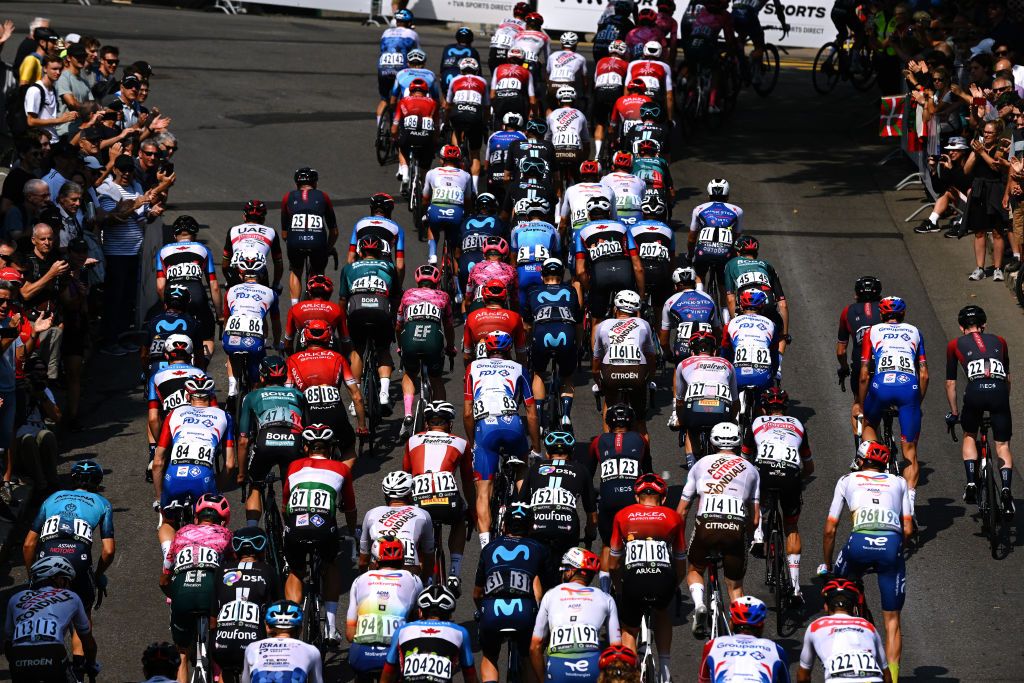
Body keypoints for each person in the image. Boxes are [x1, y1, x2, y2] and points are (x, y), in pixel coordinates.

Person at [819, 441, 910, 681]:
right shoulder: (899, 482)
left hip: (858, 545)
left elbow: (831, 529)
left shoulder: (847, 480)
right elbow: (908, 528)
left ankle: (843, 653)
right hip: (890, 546)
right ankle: (892, 677)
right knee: (892, 620)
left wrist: (827, 566)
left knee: (837, 590)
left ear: (859, 461)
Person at [22, 460, 114, 663]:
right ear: (98, 482)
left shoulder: (52, 498)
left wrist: (32, 576)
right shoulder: (102, 503)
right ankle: (83, 670)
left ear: (73, 479)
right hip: (78, 560)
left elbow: (29, 545)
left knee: (41, 612)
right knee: (82, 618)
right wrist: (98, 576)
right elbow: (108, 550)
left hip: (48, 558)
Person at [677, 422, 760, 638]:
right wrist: (749, 539)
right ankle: (743, 634)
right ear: (739, 441)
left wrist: (676, 541)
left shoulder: (701, 464)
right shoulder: (750, 469)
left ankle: (699, 605)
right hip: (735, 526)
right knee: (735, 587)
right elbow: (756, 517)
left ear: (713, 442)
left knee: (695, 569)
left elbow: (683, 510)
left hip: (706, 525)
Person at [282, 424, 357, 646]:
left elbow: (285, 503)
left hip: (296, 526)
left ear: (305, 447)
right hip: (324, 528)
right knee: (331, 564)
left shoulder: (294, 466)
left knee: (296, 571)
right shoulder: (341, 469)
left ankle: (289, 627)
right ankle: (331, 627)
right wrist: (353, 532)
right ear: (330, 448)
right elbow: (350, 507)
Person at [465, 330, 540, 546]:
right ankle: (525, 524)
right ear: (509, 350)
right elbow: (531, 412)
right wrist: (536, 448)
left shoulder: (474, 368)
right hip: (513, 425)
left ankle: (485, 544)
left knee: (483, 491)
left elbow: (468, 412)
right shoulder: (519, 368)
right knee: (522, 470)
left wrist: (473, 444)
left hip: (485, 428)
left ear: (486, 350)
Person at [608, 474, 686, 683]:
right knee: (662, 611)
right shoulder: (673, 517)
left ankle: (629, 675)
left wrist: (619, 589)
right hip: (663, 579)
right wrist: (673, 586)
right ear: (663, 497)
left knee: (629, 629)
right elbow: (680, 563)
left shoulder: (622, 515)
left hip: (633, 581)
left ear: (636, 497)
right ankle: (666, 670)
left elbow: (613, 564)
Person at [153, 376, 236, 560]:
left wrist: (160, 500)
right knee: (211, 523)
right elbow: (230, 465)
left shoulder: (174, 414)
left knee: (168, 521)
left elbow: (158, 461)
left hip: (174, 477)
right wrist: (218, 491)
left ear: (187, 395)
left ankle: (169, 559)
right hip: (203, 478)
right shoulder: (224, 416)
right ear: (211, 396)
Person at [744, 387, 813, 608]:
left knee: (753, 485)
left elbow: (745, 459)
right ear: (786, 408)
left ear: (763, 407)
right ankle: (795, 587)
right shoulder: (798, 425)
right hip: (790, 475)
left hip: (764, 472)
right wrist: (797, 478)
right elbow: (809, 466)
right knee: (791, 527)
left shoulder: (756, 423)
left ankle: (757, 534)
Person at [858, 296, 927, 512]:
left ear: (881, 315)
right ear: (903, 314)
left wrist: (861, 405)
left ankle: (873, 477)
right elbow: (924, 374)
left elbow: (863, 374)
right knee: (910, 452)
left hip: (882, 387)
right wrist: (917, 401)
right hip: (909, 389)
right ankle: (910, 506)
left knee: (868, 424)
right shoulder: (915, 331)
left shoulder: (873, 331)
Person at [945, 305, 1014, 513]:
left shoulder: (954, 344)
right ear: (984, 325)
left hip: (974, 392)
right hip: (999, 392)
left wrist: (954, 413)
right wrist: (1002, 401)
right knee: (1002, 445)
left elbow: (951, 384)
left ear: (960, 327)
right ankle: (1006, 490)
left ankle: (972, 483)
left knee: (969, 434)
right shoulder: (1000, 341)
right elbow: (1007, 378)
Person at [161, 493, 233, 683]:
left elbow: (164, 576)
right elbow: (235, 571)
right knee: (220, 654)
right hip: (210, 591)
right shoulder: (226, 535)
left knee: (182, 654)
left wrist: (172, 596)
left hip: (183, 590)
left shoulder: (181, 533)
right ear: (223, 521)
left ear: (196, 517)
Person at [474, 503, 546, 683]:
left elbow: (477, 593)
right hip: (524, 610)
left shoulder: (489, 548)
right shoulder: (538, 548)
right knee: (529, 656)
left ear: (504, 526)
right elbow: (547, 589)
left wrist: (480, 611)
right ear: (530, 527)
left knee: (490, 655)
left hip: (492, 610)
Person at [402, 401, 473, 577]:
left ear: (427, 424)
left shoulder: (412, 440)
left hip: (420, 502)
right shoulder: (461, 443)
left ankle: (419, 574)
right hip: (447, 500)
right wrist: (472, 510)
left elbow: (405, 477)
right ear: (449, 424)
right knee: (459, 520)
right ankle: (455, 571)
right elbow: (467, 482)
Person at [286, 319, 368, 469]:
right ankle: (341, 476)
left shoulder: (292, 360)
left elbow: (287, 396)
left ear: (305, 337)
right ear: (328, 337)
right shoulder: (338, 358)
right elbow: (357, 396)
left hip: (308, 413)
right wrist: (362, 426)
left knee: (302, 450)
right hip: (335, 413)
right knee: (349, 450)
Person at [520, 431, 597, 589]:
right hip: (567, 527)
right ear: (572, 453)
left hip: (537, 525)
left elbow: (520, 505)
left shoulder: (535, 468)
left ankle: (537, 604)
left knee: (535, 570)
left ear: (547, 453)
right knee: (566, 570)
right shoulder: (582, 470)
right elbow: (592, 516)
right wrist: (590, 536)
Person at [530, 548, 620, 683]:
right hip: (591, 669)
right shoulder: (606, 598)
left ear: (571, 571)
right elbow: (616, 649)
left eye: (564, 569)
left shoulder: (550, 595)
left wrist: (543, 679)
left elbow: (535, 646)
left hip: (558, 669)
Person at [3, 556, 98, 683]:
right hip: (52, 653)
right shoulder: (71, 597)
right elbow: (88, 642)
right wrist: (91, 665)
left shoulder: (16, 598)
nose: (68, 586)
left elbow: (8, 642)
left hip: (18, 656)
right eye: (66, 580)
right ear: (57, 578)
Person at [237, 356, 304, 523]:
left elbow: (243, 440)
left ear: (261, 377)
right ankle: (291, 530)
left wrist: (242, 473)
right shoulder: (298, 394)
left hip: (266, 440)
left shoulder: (252, 396)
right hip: (293, 442)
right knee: (291, 488)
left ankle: (252, 528)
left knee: (256, 485)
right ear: (284, 376)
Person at [347, 536, 423, 681]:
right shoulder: (413, 579)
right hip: (395, 656)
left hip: (361, 657)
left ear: (374, 561)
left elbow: (350, 635)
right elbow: (420, 622)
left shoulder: (359, 580)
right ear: (402, 561)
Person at [338, 236, 399, 414]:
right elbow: (395, 297)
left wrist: (342, 323)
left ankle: (355, 400)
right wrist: (394, 319)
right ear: (380, 252)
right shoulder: (389, 267)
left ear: (360, 251)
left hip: (357, 310)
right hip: (381, 310)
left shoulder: (349, 268)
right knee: (383, 349)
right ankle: (384, 393)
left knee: (357, 350)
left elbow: (343, 298)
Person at [211, 527, 281, 678]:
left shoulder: (221, 570)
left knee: (225, 671)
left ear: (236, 551)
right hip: (255, 647)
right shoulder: (268, 571)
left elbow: (212, 620)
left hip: (221, 647)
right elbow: (280, 610)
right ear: (262, 550)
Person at [396, 266, 457, 433]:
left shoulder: (408, 294)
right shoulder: (443, 296)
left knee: (409, 374)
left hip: (410, 337)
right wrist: (450, 347)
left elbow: (399, 324)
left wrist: (401, 347)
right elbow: (449, 326)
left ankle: (408, 414)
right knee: (436, 378)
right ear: (436, 281)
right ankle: (441, 418)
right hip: (433, 339)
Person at [523, 257, 581, 430]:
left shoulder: (533, 291)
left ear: (542, 275)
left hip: (542, 335)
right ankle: (565, 415)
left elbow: (526, 325)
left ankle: (539, 418)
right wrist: (577, 345)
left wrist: (528, 345)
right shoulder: (570, 291)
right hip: (566, 334)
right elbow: (578, 322)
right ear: (562, 275)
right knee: (567, 376)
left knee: (539, 374)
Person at [574, 196, 645, 334]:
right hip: (624, 274)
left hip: (599, 277)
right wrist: (641, 295)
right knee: (631, 317)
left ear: (589, 215)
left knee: (597, 321)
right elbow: (638, 267)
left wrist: (590, 289)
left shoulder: (581, 232)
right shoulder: (622, 227)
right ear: (609, 213)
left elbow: (580, 271)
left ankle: (596, 355)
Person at [797, 578, 890, 683]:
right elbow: (886, 674)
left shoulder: (815, 627)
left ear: (826, 607)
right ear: (855, 608)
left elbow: (803, 677)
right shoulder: (868, 626)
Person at [381, 584, 477, 683]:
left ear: (420, 612)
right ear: (449, 614)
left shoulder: (402, 630)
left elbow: (387, 674)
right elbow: (470, 676)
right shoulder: (461, 632)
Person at [592, 290, 657, 434]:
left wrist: (600, 384)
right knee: (640, 421)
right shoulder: (643, 324)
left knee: (609, 405)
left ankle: (607, 445)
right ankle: (645, 455)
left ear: (615, 309)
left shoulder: (603, 325)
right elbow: (651, 357)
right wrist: (650, 379)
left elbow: (596, 362)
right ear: (636, 311)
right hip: (637, 374)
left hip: (611, 374)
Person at [156, 215, 219, 362]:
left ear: (174, 235)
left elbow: (160, 286)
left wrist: (166, 306)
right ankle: (202, 366)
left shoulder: (163, 251)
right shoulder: (203, 249)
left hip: (173, 299)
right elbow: (214, 286)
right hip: (198, 297)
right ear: (195, 235)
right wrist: (220, 314)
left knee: (167, 334)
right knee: (207, 336)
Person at [222, 254, 281, 401]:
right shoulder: (271, 293)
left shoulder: (231, 291)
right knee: (257, 366)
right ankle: (254, 397)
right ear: (261, 274)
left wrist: (225, 335)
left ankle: (232, 390)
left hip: (231, 336)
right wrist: (275, 343)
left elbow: (227, 319)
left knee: (232, 354)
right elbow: (275, 323)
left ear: (242, 275)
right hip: (254, 340)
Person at [359, 471, 435, 580]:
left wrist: (364, 580)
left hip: (377, 573)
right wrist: (426, 581)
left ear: (386, 496)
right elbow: (429, 556)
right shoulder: (423, 514)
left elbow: (363, 562)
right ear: (410, 495)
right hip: (409, 573)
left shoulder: (371, 513)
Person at [279, 167, 338, 305]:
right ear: (315, 183)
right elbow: (334, 231)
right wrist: (327, 248)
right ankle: (315, 304)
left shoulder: (288, 197)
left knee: (296, 270)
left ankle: (295, 307)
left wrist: (294, 244)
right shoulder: (323, 196)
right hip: (318, 242)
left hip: (295, 242)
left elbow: (284, 234)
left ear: (296, 183)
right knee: (318, 270)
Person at [697, 597, 789, 682]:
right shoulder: (776, 649)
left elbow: (703, 679)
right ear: (762, 627)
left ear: (731, 624)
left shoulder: (712, 645)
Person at [836, 276, 883, 435]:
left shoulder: (847, 312)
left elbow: (841, 350)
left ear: (856, 294)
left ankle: (861, 447)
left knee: (858, 403)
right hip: (884, 365)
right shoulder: (886, 310)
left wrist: (843, 368)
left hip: (860, 364)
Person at [689, 178, 742, 310]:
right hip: (725, 253)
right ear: (727, 195)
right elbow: (736, 237)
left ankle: (700, 298)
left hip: (703, 252)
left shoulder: (699, 209)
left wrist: (690, 255)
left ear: (708, 195)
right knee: (724, 287)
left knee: (699, 274)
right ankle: (726, 319)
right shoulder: (737, 210)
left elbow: (691, 238)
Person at [241, 600, 323, 683]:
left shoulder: (252, 647)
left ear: (267, 628)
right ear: (300, 629)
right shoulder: (312, 650)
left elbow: (245, 681)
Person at [222, 200, 284, 301]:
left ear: (244, 216)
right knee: (264, 304)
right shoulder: (272, 232)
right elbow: (278, 263)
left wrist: (228, 279)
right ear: (263, 218)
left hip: (237, 270)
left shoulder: (233, 230)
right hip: (259, 271)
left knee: (230, 303)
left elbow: (225, 263)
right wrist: (276, 284)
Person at [424, 145, 475, 265]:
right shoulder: (466, 175)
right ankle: (455, 264)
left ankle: (432, 255)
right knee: (456, 234)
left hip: (436, 211)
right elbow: (468, 201)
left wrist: (425, 213)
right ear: (459, 160)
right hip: (456, 213)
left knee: (432, 226)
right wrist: (469, 215)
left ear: (442, 160)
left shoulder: (432, 173)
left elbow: (425, 198)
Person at [445, 58, 490, 188]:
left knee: (455, 130)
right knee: (475, 153)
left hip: (458, 113)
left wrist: (446, 122)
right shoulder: (482, 81)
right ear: (476, 70)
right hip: (475, 115)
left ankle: (457, 153)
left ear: (461, 70)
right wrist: (485, 124)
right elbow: (486, 107)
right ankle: (475, 188)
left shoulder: (455, 80)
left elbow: (448, 105)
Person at [393, 78, 441, 197]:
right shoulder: (433, 102)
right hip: (426, 138)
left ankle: (405, 174)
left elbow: (395, 125)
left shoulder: (403, 101)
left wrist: (394, 138)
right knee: (425, 162)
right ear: (426, 92)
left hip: (408, 136)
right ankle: (422, 184)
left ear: (410, 91)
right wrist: (435, 142)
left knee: (402, 149)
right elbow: (437, 126)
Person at [659, 266, 717, 363]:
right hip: (706, 346)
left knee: (679, 370)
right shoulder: (708, 298)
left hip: (683, 348)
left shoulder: (670, 301)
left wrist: (668, 354)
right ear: (694, 283)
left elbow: (664, 338)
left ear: (676, 286)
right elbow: (717, 329)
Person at [510, 200, 560, 309]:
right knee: (544, 305)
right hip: (543, 270)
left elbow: (513, 256)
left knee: (522, 308)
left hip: (523, 270)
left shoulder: (516, 229)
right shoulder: (552, 228)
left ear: (527, 216)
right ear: (545, 215)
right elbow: (557, 256)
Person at [348, 193, 407, 281]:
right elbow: (400, 265)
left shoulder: (359, 224)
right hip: (384, 271)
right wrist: (398, 289)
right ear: (389, 210)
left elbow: (350, 259)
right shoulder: (397, 228)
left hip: (360, 268)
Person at [377, 9, 420, 124]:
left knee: (384, 100)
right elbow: (418, 55)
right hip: (400, 69)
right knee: (402, 100)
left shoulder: (385, 32)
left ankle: (379, 132)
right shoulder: (412, 34)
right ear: (409, 22)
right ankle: (397, 129)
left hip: (383, 67)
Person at [283, 274, 344, 354]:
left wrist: (291, 358)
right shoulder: (337, 309)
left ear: (309, 293)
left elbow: (288, 342)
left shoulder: (295, 309)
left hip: (302, 350)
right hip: (330, 350)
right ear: (329, 294)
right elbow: (345, 339)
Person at [591, 40, 630, 160]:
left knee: (600, 123)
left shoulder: (600, 61)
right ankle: (616, 146)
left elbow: (595, 80)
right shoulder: (626, 64)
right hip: (615, 91)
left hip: (600, 92)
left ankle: (597, 155)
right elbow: (626, 85)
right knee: (616, 121)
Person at [560, 160, 618, 236]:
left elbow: (563, 222)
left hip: (578, 234)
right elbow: (614, 219)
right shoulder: (608, 190)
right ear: (600, 175)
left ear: (581, 175)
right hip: (603, 233)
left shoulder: (570, 190)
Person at [482, 112, 526, 205]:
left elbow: (486, 164)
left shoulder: (494, 135)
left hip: (493, 177)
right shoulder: (522, 136)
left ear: (504, 125)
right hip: (512, 177)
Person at [490, 48, 535, 134]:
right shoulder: (526, 72)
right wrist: (533, 115)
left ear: (508, 58)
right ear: (522, 59)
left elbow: (492, 95)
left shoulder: (498, 69)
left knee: (498, 124)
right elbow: (532, 100)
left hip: (500, 101)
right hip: (518, 102)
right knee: (522, 126)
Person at [545, 32, 588, 115]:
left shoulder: (552, 55)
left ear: (562, 44)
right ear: (576, 44)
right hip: (568, 84)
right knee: (568, 109)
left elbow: (547, 73)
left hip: (552, 83)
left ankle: (549, 125)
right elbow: (584, 80)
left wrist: (548, 87)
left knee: (551, 107)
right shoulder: (580, 58)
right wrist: (585, 94)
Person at [601, 152, 646, 227]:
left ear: (613, 167)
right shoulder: (640, 181)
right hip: (636, 218)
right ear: (631, 168)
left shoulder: (605, 179)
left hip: (615, 218)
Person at [440, 27, 480, 92]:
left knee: (446, 98)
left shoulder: (447, 48)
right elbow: (478, 72)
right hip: (462, 76)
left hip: (446, 75)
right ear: (471, 39)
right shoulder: (473, 51)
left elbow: (441, 68)